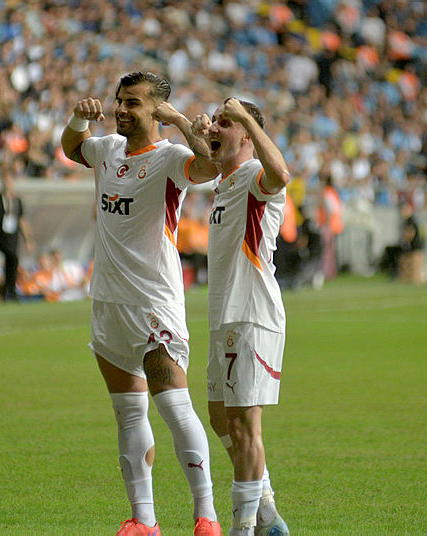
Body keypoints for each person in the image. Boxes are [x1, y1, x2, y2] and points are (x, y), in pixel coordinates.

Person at [60, 71, 221, 536]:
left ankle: (205, 515)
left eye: (132, 102)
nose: (121, 109)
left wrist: (178, 120)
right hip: (108, 301)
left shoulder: (171, 159)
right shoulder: (107, 148)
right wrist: (77, 118)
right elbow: (72, 148)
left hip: (154, 301)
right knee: (128, 413)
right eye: (119, 101)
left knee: (173, 406)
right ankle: (143, 520)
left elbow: (210, 167)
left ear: (155, 109)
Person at [160, 97, 291, 536]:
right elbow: (205, 152)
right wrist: (183, 121)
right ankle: (266, 504)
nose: (215, 127)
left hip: (252, 314)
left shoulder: (256, 176)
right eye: (215, 121)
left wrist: (248, 121)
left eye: (225, 123)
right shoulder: (227, 178)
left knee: (244, 423)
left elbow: (282, 175)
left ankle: (245, 526)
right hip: (224, 318)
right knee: (219, 416)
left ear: (247, 134)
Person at [0, 166, 33, 301]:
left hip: (13, 236)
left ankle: (9, 290)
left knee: (12, 261)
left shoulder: (17, 201)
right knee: (12, 258)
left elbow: (22, 220)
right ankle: (8, 290)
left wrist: (28, 240)